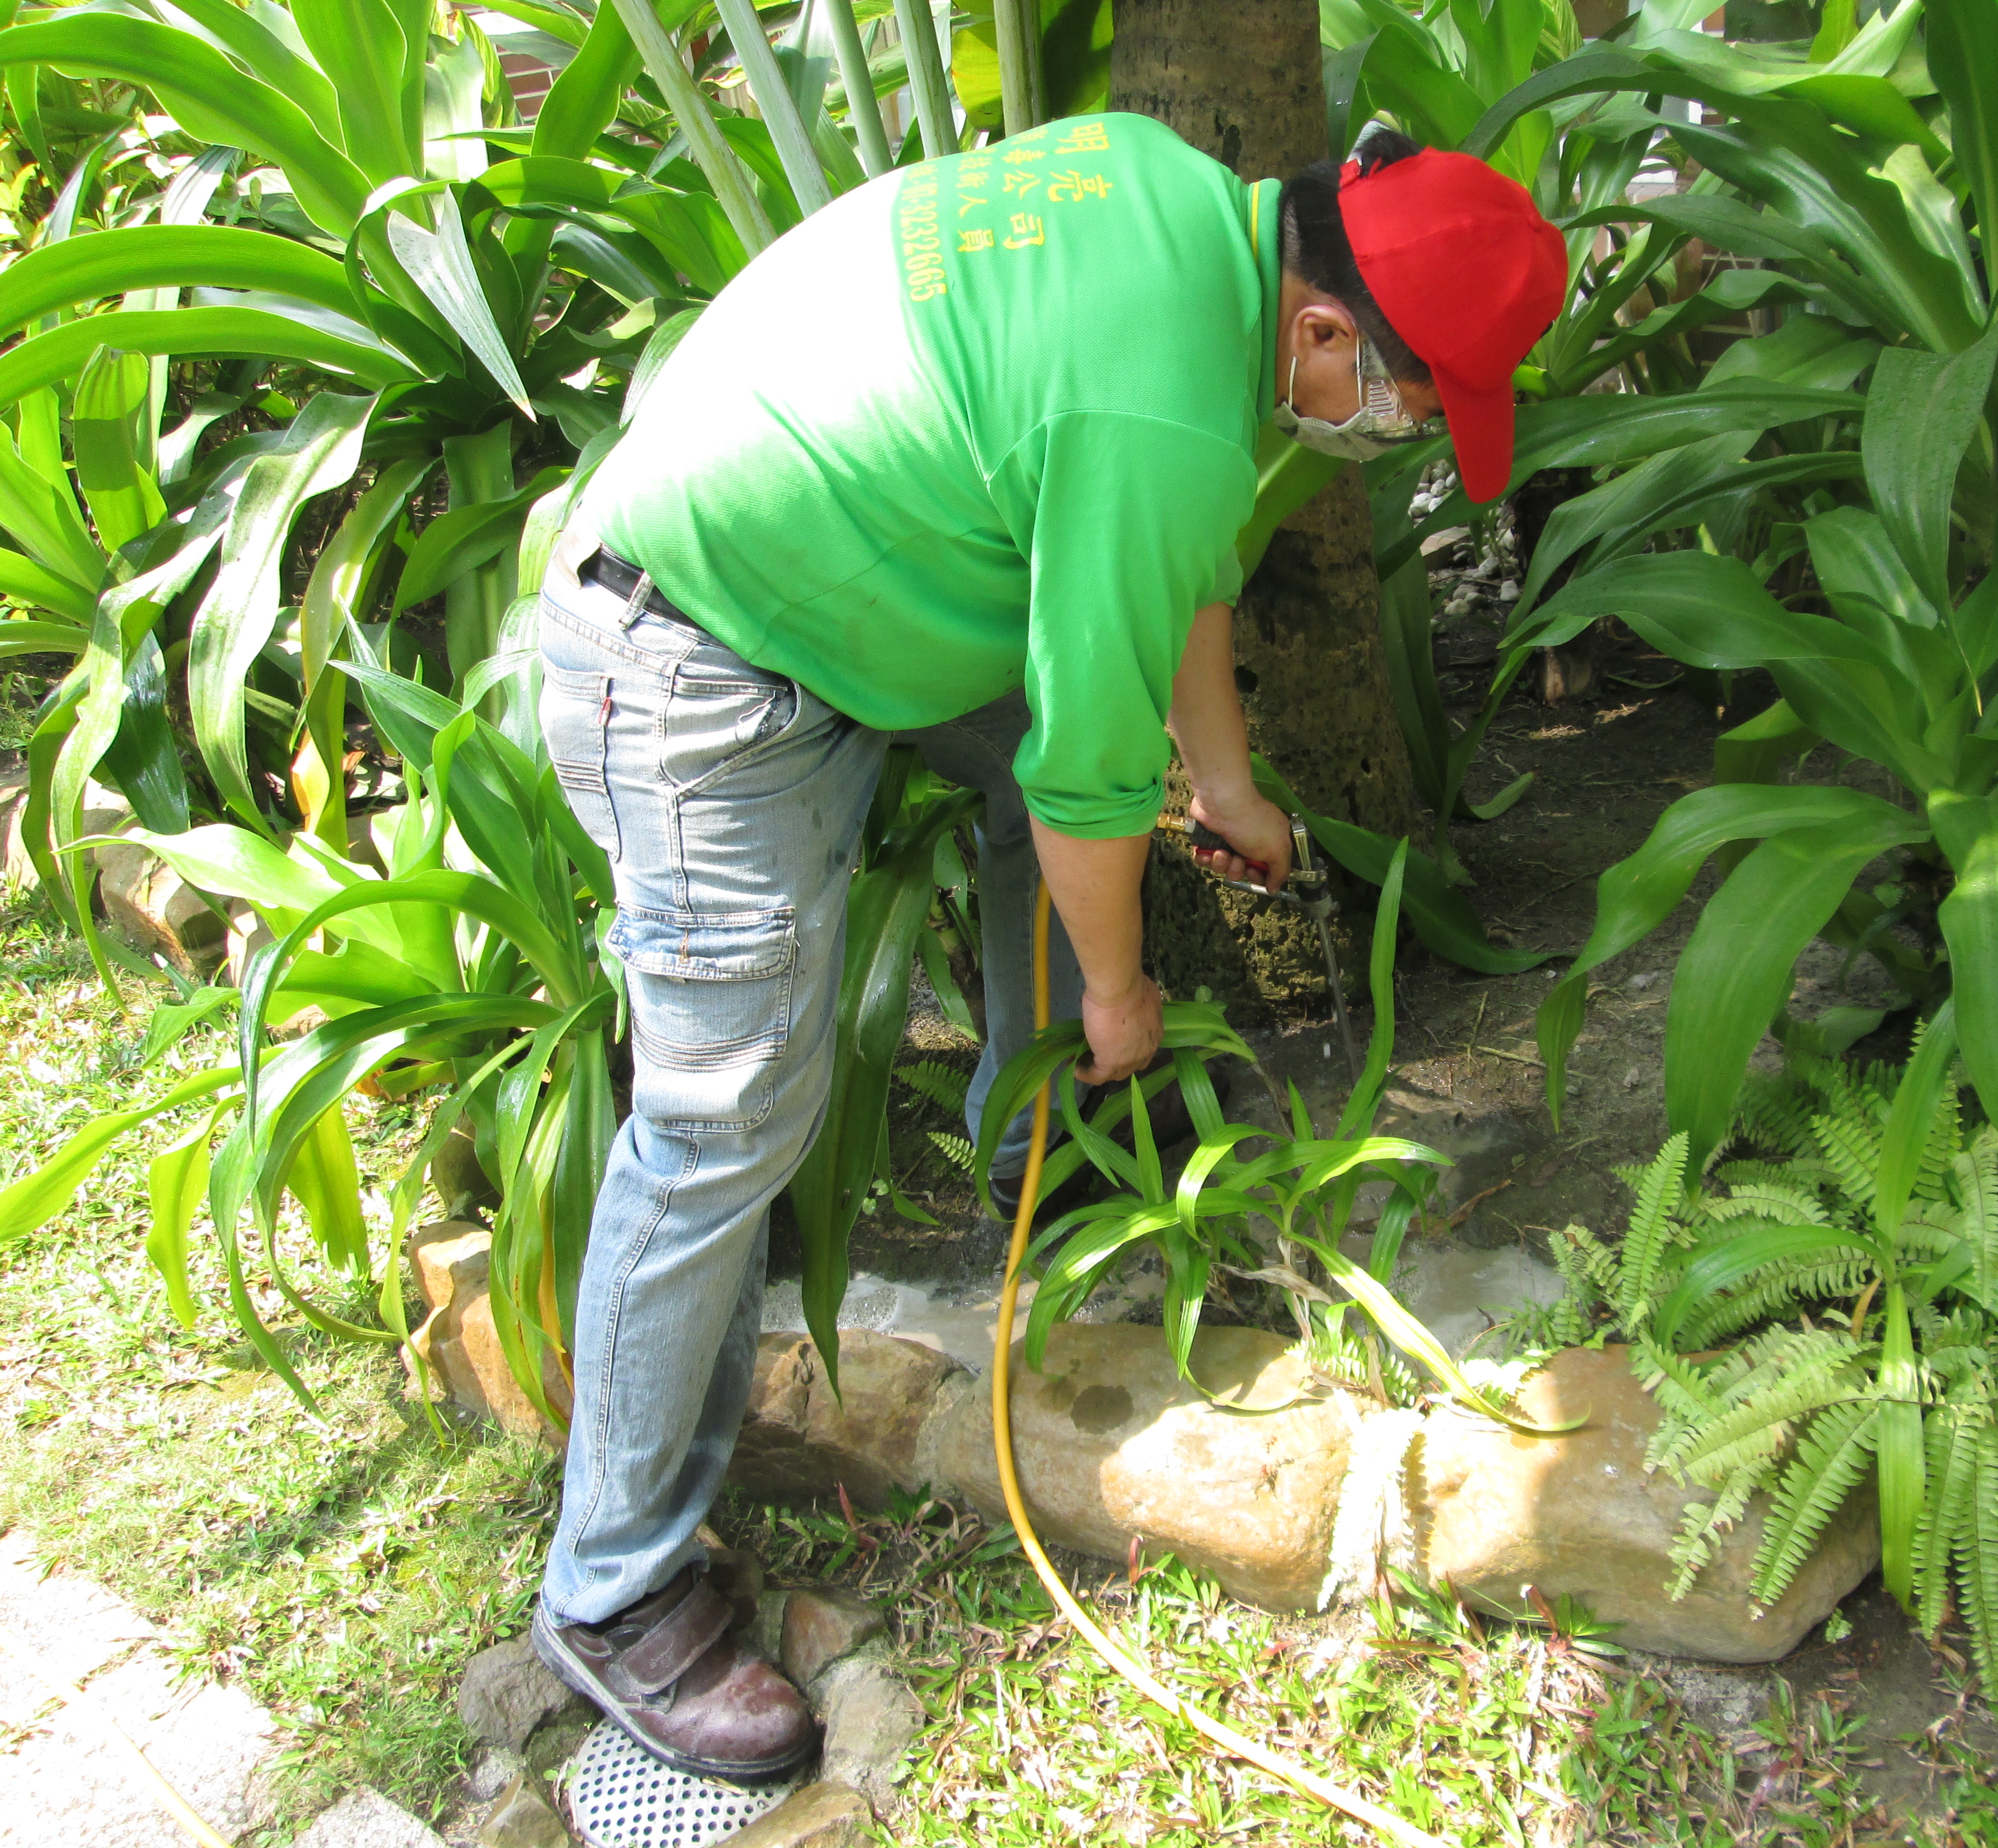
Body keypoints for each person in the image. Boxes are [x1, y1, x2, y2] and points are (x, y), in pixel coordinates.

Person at [527, 112, 1566, 1780]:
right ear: (1320, 329)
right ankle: (613, 1588)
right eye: (1414, 394)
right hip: (695, 655)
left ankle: (1042, 1145)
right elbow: (1088, 770)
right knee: (728, 1118)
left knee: (1047, 776)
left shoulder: (1184, 214)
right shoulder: (1160, 398)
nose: (1411, 428)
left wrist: (1218, 784)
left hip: (821, 570)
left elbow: (1179, 573)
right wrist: (1121, 989)